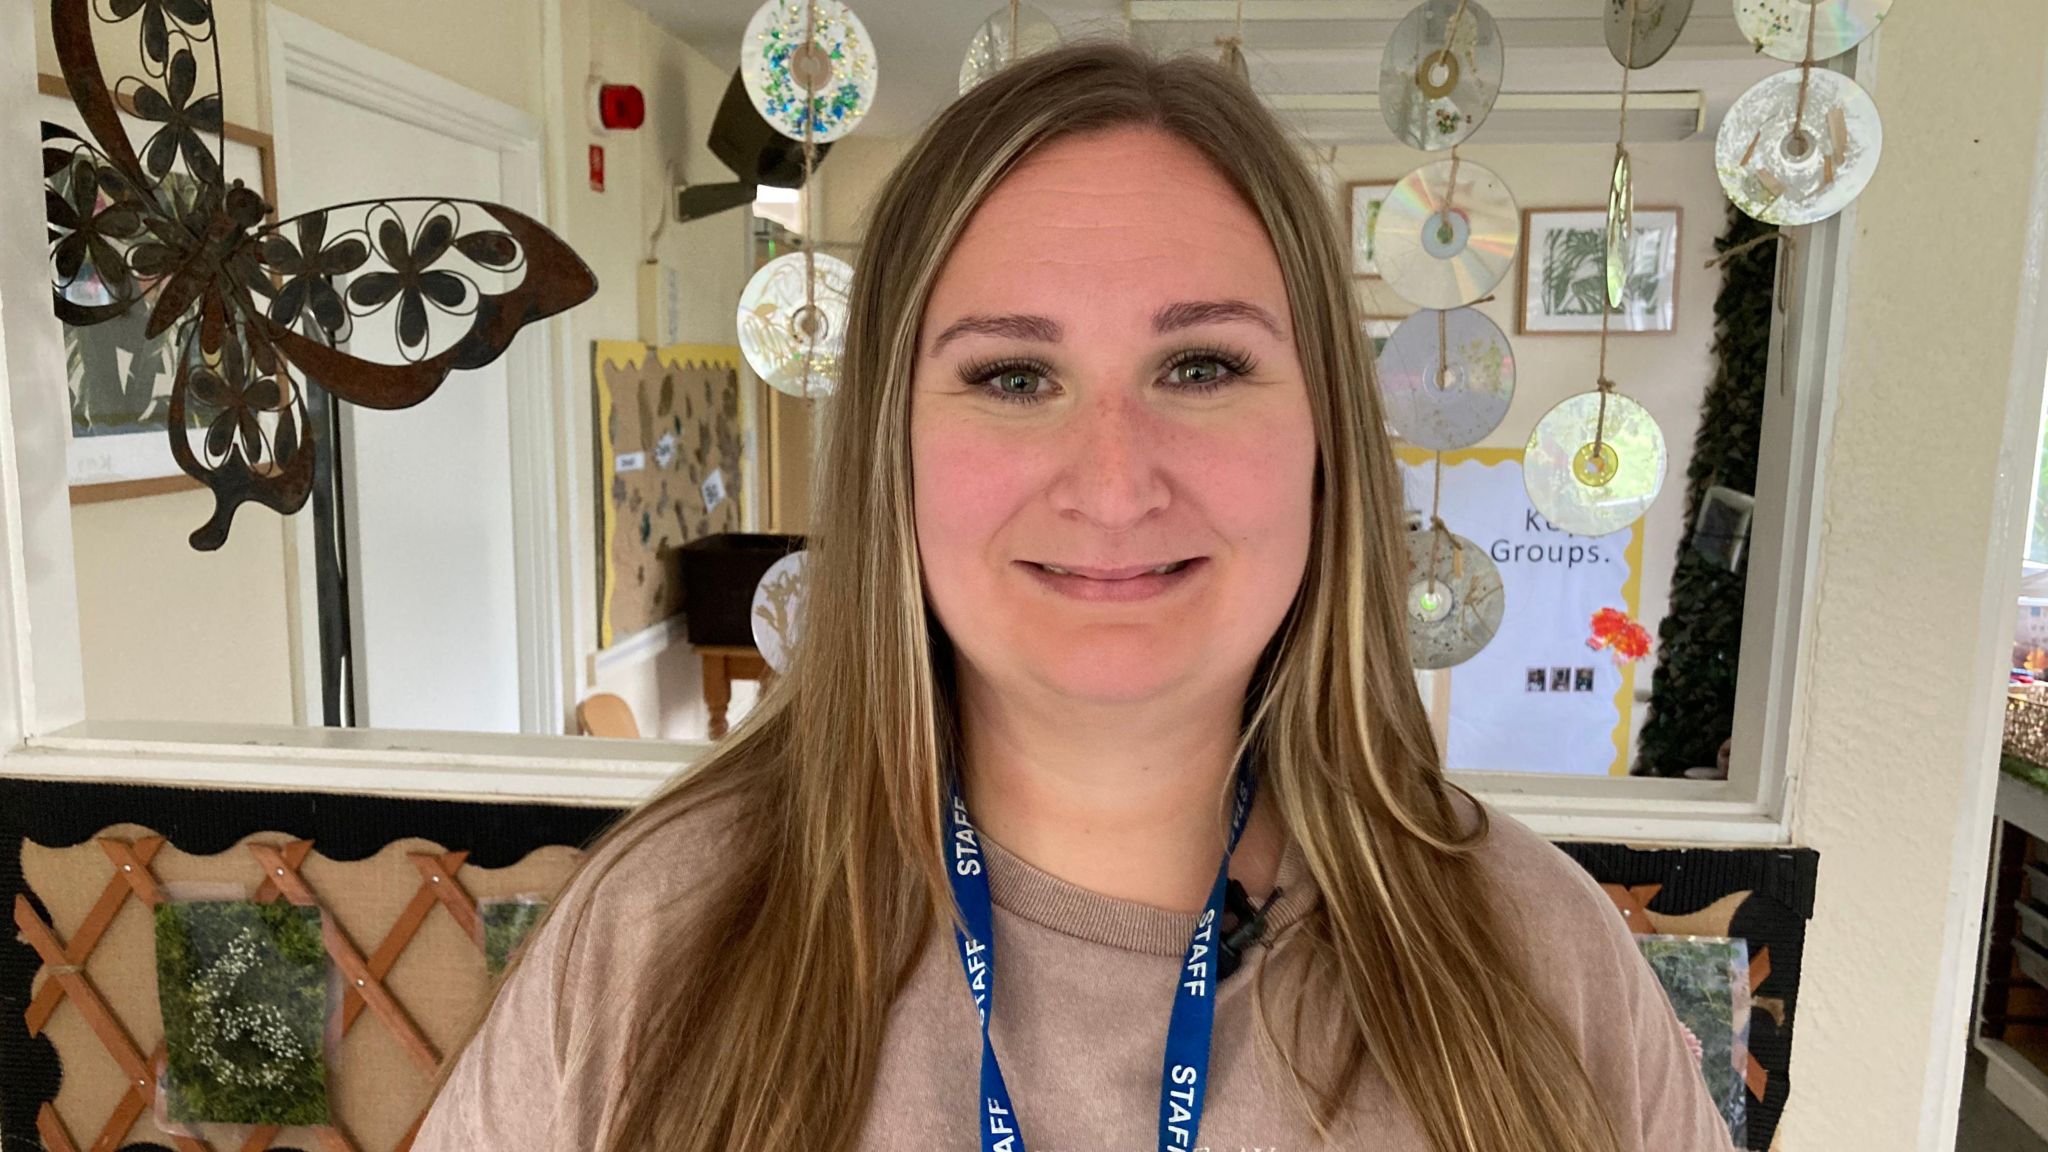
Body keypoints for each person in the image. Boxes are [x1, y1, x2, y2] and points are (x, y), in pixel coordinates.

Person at [414, 40, 1730, 1152]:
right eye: (1011, 378)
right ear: (892, 453)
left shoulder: (1540, 966)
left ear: (1325, 439)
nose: (1112, 484)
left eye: (1204, 367)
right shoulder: (658, 942)